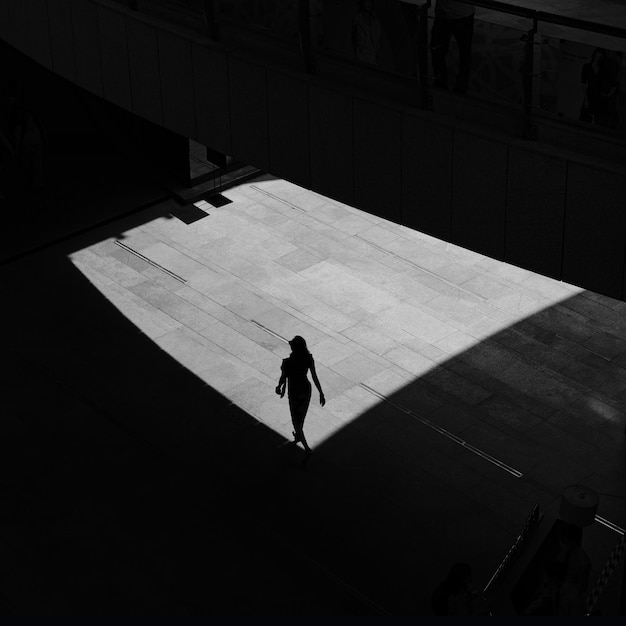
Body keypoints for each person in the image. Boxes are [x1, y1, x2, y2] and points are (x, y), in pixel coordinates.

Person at [276, 336, 325, 454]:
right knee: (300, 419)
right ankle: (299, 436)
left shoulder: (287, 362)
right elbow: (314, 376)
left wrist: (279, 387)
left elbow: (283, 378)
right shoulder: (308, 358)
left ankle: (306, 448)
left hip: (294, 392)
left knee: (296, 421)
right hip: (305, 390)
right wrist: (320, 392)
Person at [430, 0, 475, 94]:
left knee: (438, 51)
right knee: (464, 53)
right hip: (460, 15)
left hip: (445, 15)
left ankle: (442, 83)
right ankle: (460, 87)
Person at [580, 48, 606, 124]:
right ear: (595, 54)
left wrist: (607, 95)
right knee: (583, 120)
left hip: (598, 99)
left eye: (602, 54)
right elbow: (583, 84)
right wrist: (586, 100)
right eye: (599, 53)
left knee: (596, 122)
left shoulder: (602, 71)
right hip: (589, 96)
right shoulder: (587, 67)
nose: (600, 56)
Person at [351, 0, 381, 65]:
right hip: (361, 51)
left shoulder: (375, 22)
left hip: (372, 53)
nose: (368, 4)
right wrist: (357, 49)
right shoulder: (357, 18)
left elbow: (377, 37)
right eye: (366, 1)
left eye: (370, 2)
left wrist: (376, 51)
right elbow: (353, 36)